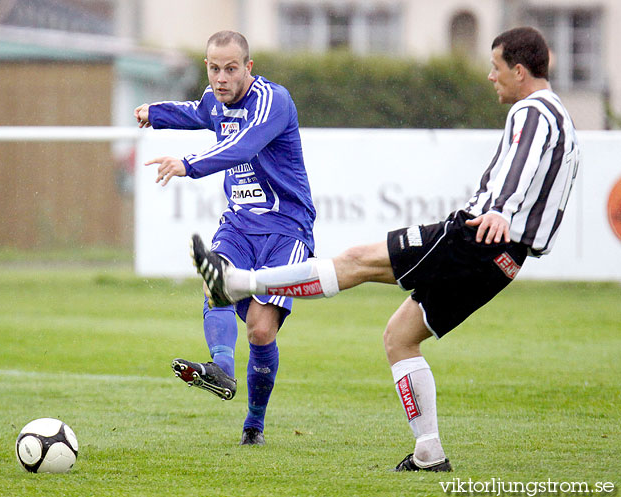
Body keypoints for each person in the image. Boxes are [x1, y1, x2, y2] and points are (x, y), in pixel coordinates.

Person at [191, 26, 579, 469]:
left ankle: (241, 282)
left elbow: (522, 164)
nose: (491, 77)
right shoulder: (563, 118)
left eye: (495, 68)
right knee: (400, 337)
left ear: (520, 70)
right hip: (507, 260)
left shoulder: (534, 111)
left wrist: (502, 210)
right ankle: (429, 452)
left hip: (475, 236)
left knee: (356, 262)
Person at [134, 31, 316, 445]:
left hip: (285, 226)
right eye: (214, 68)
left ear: (248, 68)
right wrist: (155, 113)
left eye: (231, 68)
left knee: (260, 330)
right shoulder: (215, 97)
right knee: (214, 280)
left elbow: (241, 145)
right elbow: (197, 112)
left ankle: (254, 424)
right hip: (238, 223)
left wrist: (187, 164)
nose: (222, 77)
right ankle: (221, 369)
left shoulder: (274, 101)